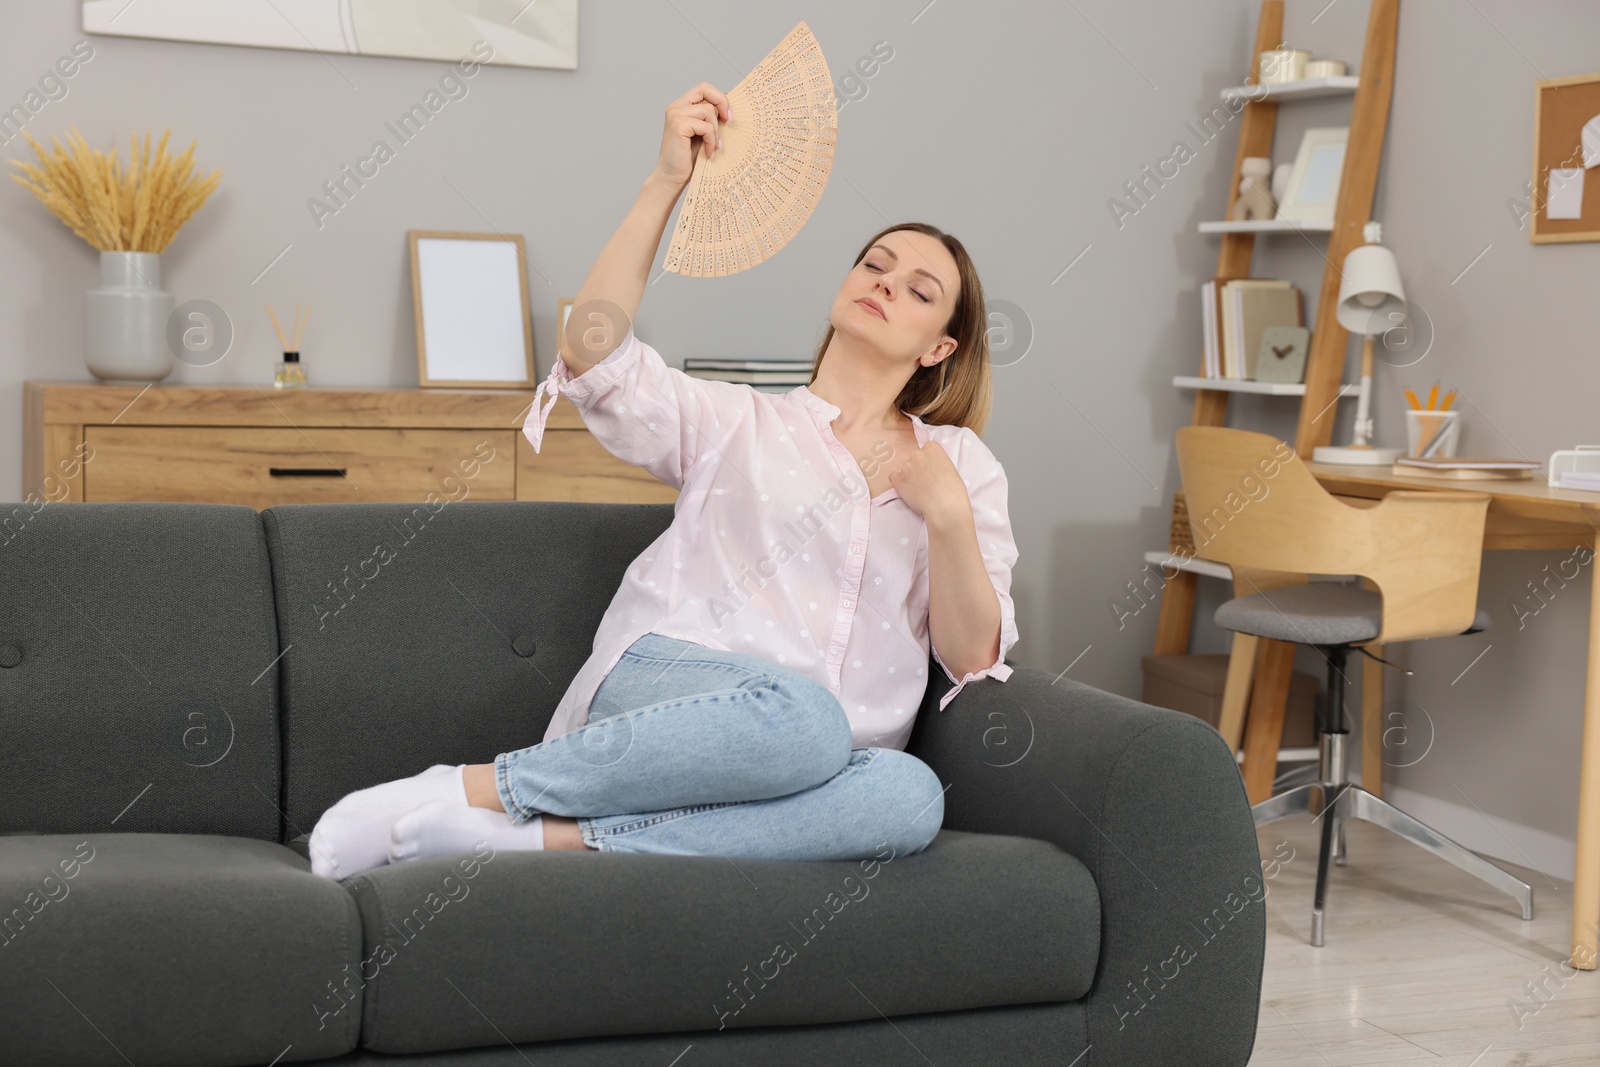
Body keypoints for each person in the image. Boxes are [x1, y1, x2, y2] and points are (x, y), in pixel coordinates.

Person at [307, 81, 1019, 880]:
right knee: (808, 721)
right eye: (875, 264)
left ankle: (537, 840)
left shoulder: (959, 468)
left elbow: (970, 656)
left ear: (938, 350)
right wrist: (665, 181)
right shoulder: (738, 421)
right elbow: (592, 352)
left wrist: (949, 518)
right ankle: (473, 788)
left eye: (920, 291)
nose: (887, 281)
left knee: (910, 795)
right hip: (671, 693)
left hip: (812, 764)